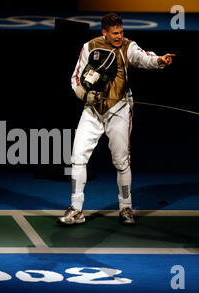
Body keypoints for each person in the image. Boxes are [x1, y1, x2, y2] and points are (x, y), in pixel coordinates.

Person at [59, 13, 174, 225]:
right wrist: (84, 94)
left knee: (121, 162)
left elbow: (144, 58)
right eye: (115, 33)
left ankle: (126, 207)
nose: (119, 36)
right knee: (77, 158)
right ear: (104, 32)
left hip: (119, 110)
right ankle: (75, 209)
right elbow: (76, 77)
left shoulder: (129, 46)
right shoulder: (89, 46)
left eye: (121, 32)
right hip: (92, 110)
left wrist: (159, 60)